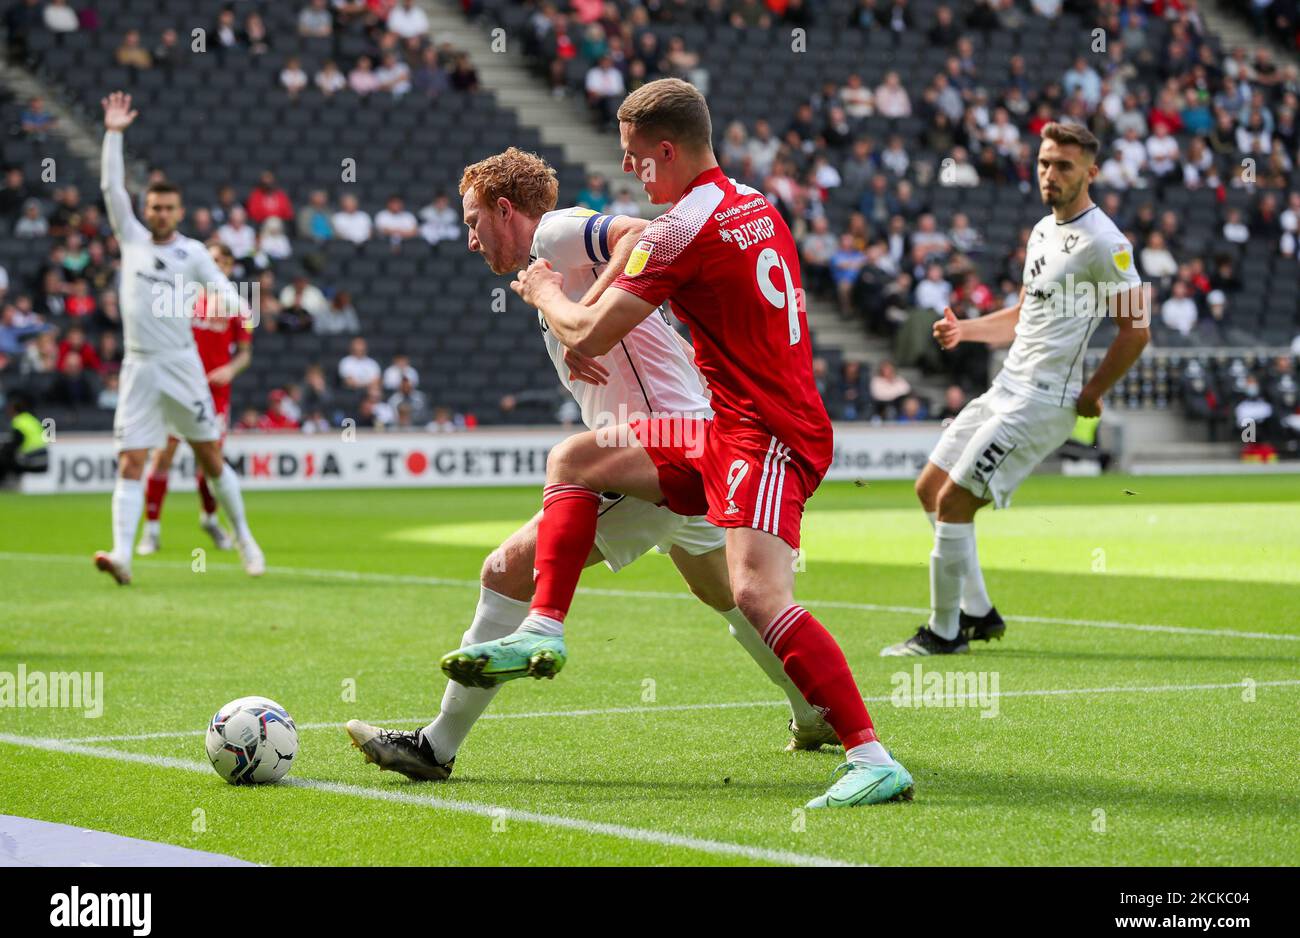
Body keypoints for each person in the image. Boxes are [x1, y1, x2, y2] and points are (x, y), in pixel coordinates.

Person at [445, 81, 912, 809]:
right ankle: (547, 626)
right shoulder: (754, 203)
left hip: (764, 434)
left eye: (635, 159)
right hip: (719, 425)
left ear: (667, 151)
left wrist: (546, 293)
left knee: (757, 592)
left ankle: (872, 755)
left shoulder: (677, 231)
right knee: (576, 458)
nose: (630, 172)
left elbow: (587, 333)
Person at [345, 144, 837, 784]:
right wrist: (582, 317)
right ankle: (813, 708)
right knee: (730, 594)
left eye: (472, 222)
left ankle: (434, 747)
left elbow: (641, 231)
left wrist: (591, 317)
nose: (469, 240)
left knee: (505, 570)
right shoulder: (550, 265)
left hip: (656, 447)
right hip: (696, 441)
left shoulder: (555, 230)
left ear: (505, 208)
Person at [882, 122, 1149, 657]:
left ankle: (944, 632)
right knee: (928, 488)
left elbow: (1136, 328)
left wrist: (1093, 392)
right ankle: (980, 614)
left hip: (1045, 398)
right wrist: (967, 331)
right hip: (1007, 387)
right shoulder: (1042, 230)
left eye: (1064, 166)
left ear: (1091, 173)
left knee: (955, 502)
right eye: (1045, 163)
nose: (1050, 174)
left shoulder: (1106, 243)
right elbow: (1026, 314)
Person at [93, 92, 264, 585]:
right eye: (154, 206)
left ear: (180, 210)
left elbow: (226, 293)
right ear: (145, 209)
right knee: (131, 459)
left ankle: (246, 541)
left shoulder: (192, 254)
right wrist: (113, 132)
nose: (160, 213)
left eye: (168, 207)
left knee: (210, 457)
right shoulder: (132, 238)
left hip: (180, 363)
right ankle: (123, 554)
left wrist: (236, 306)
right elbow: (110, 185)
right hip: (137, 366)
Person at [137, 241, 253, 556]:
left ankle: (210, 518)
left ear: (231, 267)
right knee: (163, 456)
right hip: (179, 387)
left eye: (225, 261)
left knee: (210, 460)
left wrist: (230, 370)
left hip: (215, 395)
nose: (220, 266)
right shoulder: (183, 299)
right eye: (214, 260)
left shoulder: (238, 305)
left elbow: (245, 355)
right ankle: (151, 531)